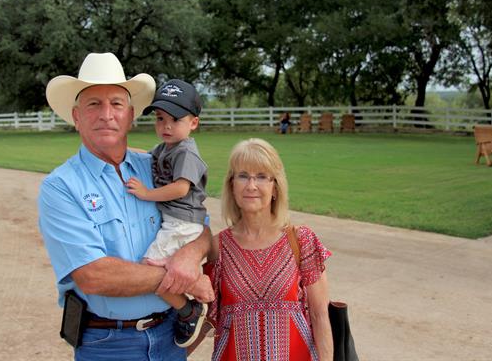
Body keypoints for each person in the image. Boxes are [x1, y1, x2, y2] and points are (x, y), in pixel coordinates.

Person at [37, 52, 214, 361]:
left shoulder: (155, 166)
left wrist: (188, 256)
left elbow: (202, 228)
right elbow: (94, 276)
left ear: (131, 114)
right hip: (107, 342)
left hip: (170, 335)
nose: (107, 114)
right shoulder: (62, 186)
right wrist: (185, 279)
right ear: (76, 116)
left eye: (117, 103)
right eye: (94, 104)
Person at [205, 138, 333, 361]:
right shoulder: (218, 247)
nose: (251, 186)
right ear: (232, 185)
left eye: (262, 177)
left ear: (275, 187)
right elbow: (206, 318)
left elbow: (320, 315)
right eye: (243, 175)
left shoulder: (301, 240)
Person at [125, 78, 208, 348]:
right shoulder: (166, 148)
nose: (166, 126)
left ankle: (189, 309)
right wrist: (118, 150)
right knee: (160, 267)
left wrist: (146, 194)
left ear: (193, 122)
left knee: (150, 268)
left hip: (182, 224)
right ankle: (192, 282)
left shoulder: (186, 153)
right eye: (160, 119)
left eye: (175, 119)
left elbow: (181, 188)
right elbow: (144, 158)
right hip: (174, 223)